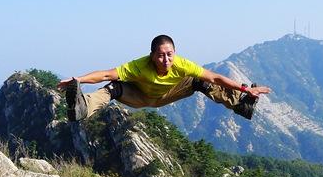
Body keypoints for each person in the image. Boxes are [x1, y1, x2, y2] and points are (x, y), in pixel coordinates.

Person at [57, 34, 271, 122]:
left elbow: (215, 78)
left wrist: (245, 90)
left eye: (170, 54)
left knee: (201, 81)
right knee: (113, 87)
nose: (166, 59)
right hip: (140, 96)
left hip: (169, 94)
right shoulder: (139, 66)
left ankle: (241, 105)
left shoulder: (182, 64)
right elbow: (105, 74)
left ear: (174, 53)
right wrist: (79, 80)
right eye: (161, 55)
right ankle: (83, 108)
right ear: (152, 56)